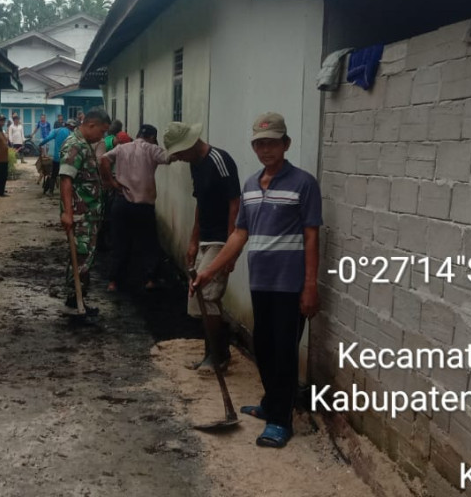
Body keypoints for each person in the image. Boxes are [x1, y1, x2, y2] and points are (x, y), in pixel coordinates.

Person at [191, 112, 321, 449]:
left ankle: (280, 420)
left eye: (272, 142)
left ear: (286, 144)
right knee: (263, 347)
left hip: (290, 285)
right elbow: (238, 236)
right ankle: (270, 404)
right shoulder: (249, 185)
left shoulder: (304, 184)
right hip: (261, 283)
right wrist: (210, 270)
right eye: (259, 143)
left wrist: (310, 285)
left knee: (283, 352)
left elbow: (311, 237)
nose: (265, 149)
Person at [164, 121, 241, 373]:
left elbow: (234, 203)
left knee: (207, 295)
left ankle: (217, 355)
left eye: (180, 153)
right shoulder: (195, 164)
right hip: (206, 237)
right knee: (197, 297)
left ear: (191, 144)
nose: (180, 159)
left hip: (221, 238)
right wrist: (193, 240)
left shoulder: (220, 160)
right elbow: (201, 202)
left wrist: (232, 246)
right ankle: (216, 350)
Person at [99, 124, 170, 292]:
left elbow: (103, 159)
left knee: (120, 242)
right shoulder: (152, 149)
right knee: (148, 243)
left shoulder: (123, 148)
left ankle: (114, 282)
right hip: (143, 206)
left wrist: (110, 181)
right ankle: (150, 280)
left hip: (121, 202)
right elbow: (169, 158)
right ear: (152, 137)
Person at [58, 108, 111, 312]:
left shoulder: (85, 144)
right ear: (91, 125)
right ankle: (75, 302)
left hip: (88, 214)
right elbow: (66, 179)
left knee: (84, 257)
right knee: (80, 256)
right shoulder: (75, 145)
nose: (103, 136)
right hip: (80, 214)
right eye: (102, 131)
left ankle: (78, 300)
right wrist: (68, 213)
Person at [39, 119, 74, 195]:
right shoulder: (71, 133)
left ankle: (50, 191)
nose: (73, 128)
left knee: (54, 174)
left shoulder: (56, 131)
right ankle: (66, 192)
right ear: (70, 126)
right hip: (66, 158)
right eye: (72, 127)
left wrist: (41, 144)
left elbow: (48, 138)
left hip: (57, 158)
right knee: (66, 175)